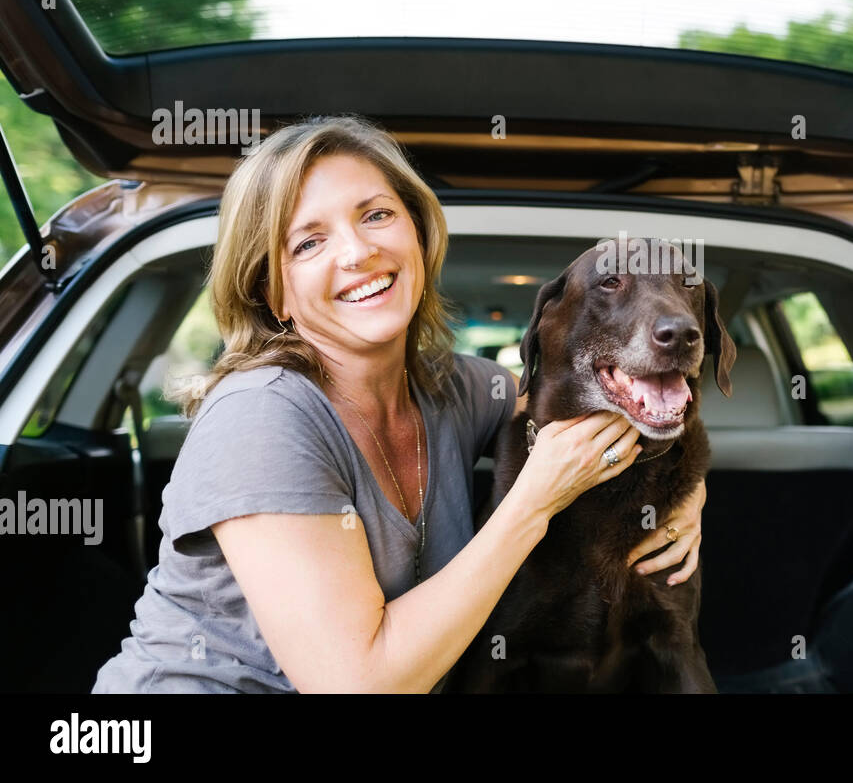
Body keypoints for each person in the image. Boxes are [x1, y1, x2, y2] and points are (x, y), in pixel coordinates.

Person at [91, 115, 706, 693]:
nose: (357, 253)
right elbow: (355, 685)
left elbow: (597, 401)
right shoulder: (260, 417)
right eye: (308, 243)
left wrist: (688, 492)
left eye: (377, 214)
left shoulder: (460, 390)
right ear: (272, 292)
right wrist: (534, 503)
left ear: (417, 230)